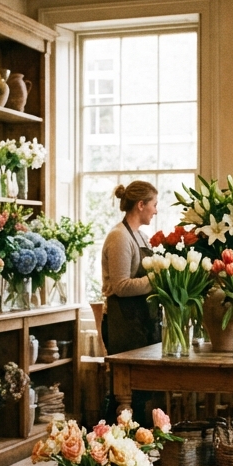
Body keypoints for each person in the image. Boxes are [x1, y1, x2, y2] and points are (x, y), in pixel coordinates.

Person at [101, 180, 161, 420]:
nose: (156, 210)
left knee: (141, 392)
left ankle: (135, 450)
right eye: (154, 205)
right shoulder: (120, 238)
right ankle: (108, 444)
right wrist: (157, 280)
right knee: (124, 392)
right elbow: (121, 286)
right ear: (140, 205)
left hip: (140, 322)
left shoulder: (142, 237)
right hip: (122, 325)